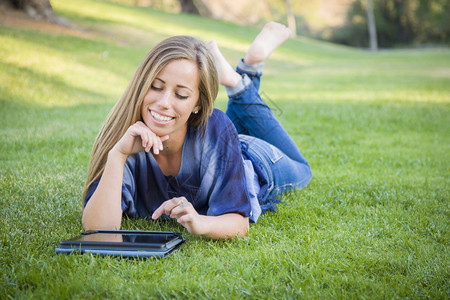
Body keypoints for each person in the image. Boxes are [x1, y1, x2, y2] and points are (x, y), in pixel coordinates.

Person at [82, 22, 312, 239]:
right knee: (220, 134)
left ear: (198, 104)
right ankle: (238, 75)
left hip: (253, 160)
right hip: (217, 148)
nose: (163, 102)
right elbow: (98, 229)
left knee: (303, 170)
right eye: (155, 86)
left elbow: (238, 223)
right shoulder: (125, 137)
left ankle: (239, 78)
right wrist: (117, 155)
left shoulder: (216, 128)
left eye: (181, 94)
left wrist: (200, 223)